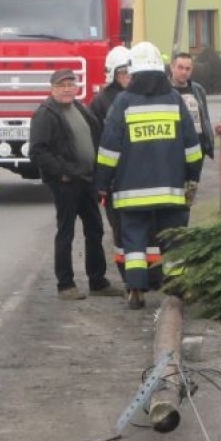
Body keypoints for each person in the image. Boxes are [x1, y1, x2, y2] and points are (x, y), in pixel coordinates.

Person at [95, 41, 203, 310]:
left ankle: (135, 289)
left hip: (131, 192)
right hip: (171, 189)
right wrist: (193, 178)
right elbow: (193, 148)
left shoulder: (123, 103)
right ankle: (177, 290)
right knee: (174, 239)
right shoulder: (174, 100)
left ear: (133, 71)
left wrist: (102, 183)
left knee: (134, 242)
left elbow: (109, 149)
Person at [30, 69, 124, 300]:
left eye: (70, 84)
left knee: (95, 230)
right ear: (52, 88)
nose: (67, 88)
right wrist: (63, 173)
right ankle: (65, 284)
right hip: (65, 184)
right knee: (66, 232)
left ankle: (98, 281)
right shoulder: (45, 114)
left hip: (87, 181)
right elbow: (37, 152)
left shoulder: (80, 108)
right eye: (62, 85)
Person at [89, 45, 131, 284]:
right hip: (113, 180)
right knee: (119, 230)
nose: (127, 77)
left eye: (129, 72)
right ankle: (128, 277)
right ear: (113, 74)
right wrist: (101, 180)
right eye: (122, 72)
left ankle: (148, 275)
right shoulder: (100, 102)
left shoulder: (138, 98)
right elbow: (96, 143)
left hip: (136, 175)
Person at [169, 52, 214, 221]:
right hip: (175, 149)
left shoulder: (198, 90)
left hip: (197, 150)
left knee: (189, 193)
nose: (184, 72)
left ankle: (183, 226)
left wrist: (208, 140)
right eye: (180, 68)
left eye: (188, 68)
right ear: (172, 67)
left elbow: (205, 117)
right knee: (174, 192)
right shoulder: (166, 91)